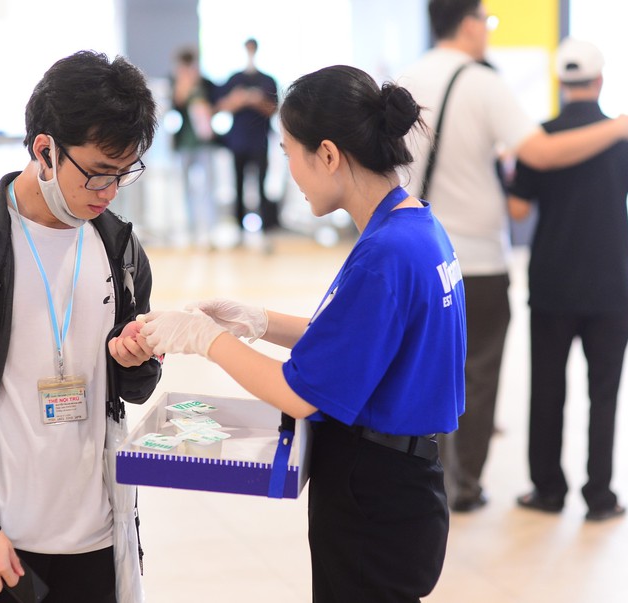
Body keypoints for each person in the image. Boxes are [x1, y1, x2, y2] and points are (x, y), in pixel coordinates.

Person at [139, 65, 467, 603]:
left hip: (375, 498)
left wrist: (207, 340)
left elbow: (298, 392)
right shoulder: (414, 228)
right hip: (405, 485)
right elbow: (360, 342)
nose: (287, 169)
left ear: (330, 155)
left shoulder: (383, 256)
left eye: (289, 152)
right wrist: (260, 322)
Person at [0, 50, 162, 602]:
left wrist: (136, 360)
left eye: (123, 175)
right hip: (1, 544)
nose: (108, 192)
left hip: (97, 539)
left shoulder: (118, 247)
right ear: (45, 150)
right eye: (96, 173)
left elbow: (133, 387)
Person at [398, 0, 628, 513]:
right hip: (513, 265)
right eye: (486, 20)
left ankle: (514, 487)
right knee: (485, 376)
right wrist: (619, 128)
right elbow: (539, 157)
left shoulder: (405, 78)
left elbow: (523, 196)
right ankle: (482, 487)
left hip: (426, 252)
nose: (488, 30)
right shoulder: (485, 84)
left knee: (430, 371)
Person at [508, 38, 628, 522]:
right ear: (599, 81)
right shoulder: (623, 137)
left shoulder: (542, 138)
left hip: (554, 283)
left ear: (562, 83)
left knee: (547, 389)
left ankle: (547, 490)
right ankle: (600, 497)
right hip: (612, 286)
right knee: (604, 393)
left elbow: (518, 207)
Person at [216, 38, 279, 239]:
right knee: (238, 184)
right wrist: (240, 100)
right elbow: (222, 106)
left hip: (259, 140)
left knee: (261, 184)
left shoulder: (267, 80)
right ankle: (239, 227)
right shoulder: (234, 79)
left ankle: (266, 227)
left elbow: (273, 109)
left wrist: (257, 101)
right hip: (238, 141)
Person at [170, 46, 219, 248]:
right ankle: (188, 230)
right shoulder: (175, 83)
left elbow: (214, 107)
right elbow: (175, 104)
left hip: (204, 143)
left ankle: (208, 232)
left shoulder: (205, 83)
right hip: (183, 143)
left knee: (207, 188)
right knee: (185, 189)